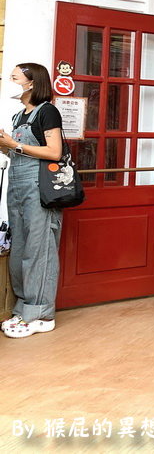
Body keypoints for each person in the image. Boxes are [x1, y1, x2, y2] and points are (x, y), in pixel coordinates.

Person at [0, 63, 64, 339]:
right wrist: (5, 144)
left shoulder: (48, 112)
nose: (12, 83)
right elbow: (19, 153)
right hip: (17, 186)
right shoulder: (18, 116)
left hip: (40, 189)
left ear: (31, 83)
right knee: (21, 250)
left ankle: (41, 313)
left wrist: (13, 145)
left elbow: (54, 152)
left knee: (40, 250)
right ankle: (24, 307)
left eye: (16, 78)